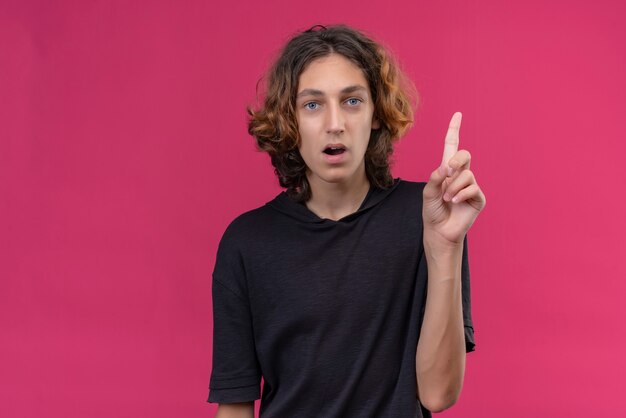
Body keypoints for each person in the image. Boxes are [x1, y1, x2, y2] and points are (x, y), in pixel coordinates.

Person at [208, 24, 486, 418]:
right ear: (291, 120)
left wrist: (444, 246)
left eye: (352, 101)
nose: (334, 122)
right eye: (312, 104)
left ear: (376, 113)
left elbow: (438, 394)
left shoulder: (428, 215)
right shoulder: (246, 242)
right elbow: (234, 405)